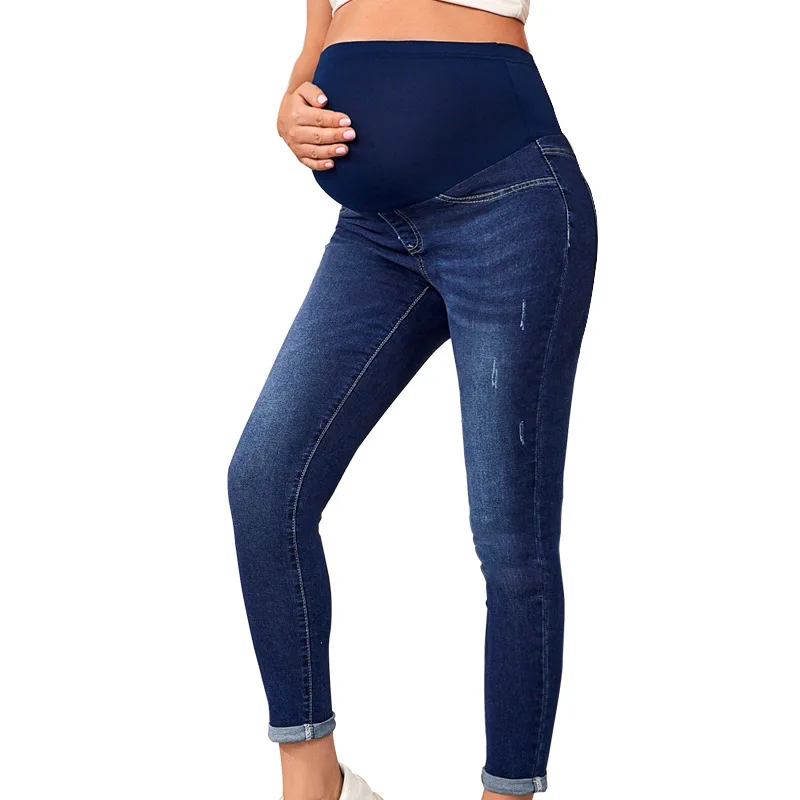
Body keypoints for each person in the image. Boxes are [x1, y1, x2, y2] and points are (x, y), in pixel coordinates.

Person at [227, 1, 597, 798]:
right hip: (373, 233)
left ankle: (507, 792)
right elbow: (316, 41)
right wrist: (291, 108)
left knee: (511, 538)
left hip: (510, 204)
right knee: (263, 484)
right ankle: (315, 782)